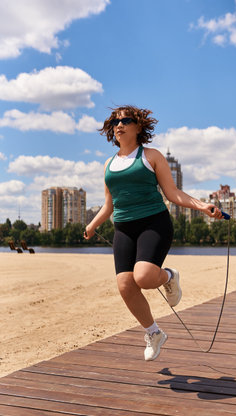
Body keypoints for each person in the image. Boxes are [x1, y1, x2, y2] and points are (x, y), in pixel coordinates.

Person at [84, 105, 223, 361]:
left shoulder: (151, 156)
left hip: (153, 223)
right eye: (115, 122)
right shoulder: (109, 164)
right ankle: (154, 333)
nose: (119, 125)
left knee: (145, 277)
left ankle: (169, 276)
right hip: (123, 227)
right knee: (125, 285)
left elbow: (173, 194)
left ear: (138, 127)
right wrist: (92, 225)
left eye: (126, 120)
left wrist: (203, 206)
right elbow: (109, 204)